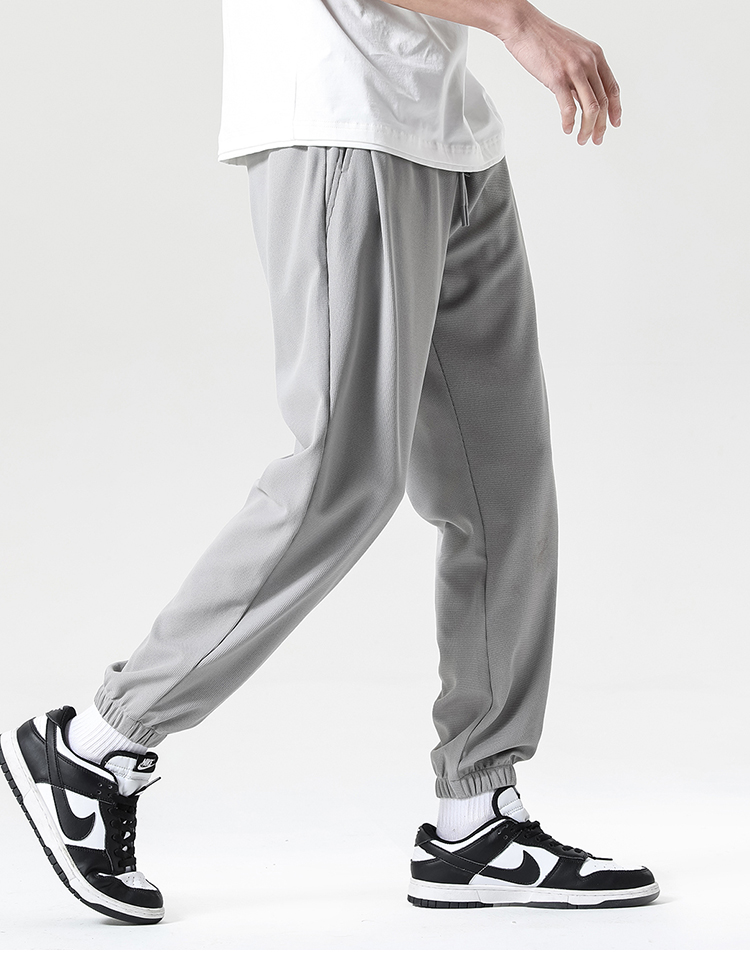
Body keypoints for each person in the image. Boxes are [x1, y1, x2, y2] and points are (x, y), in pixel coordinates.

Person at [0, 0, 659, 925]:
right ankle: (96, 744)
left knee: (504, 488)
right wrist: (516, 22)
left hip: (448, 130)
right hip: (343, 121)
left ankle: (476, 816)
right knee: (342, 475)